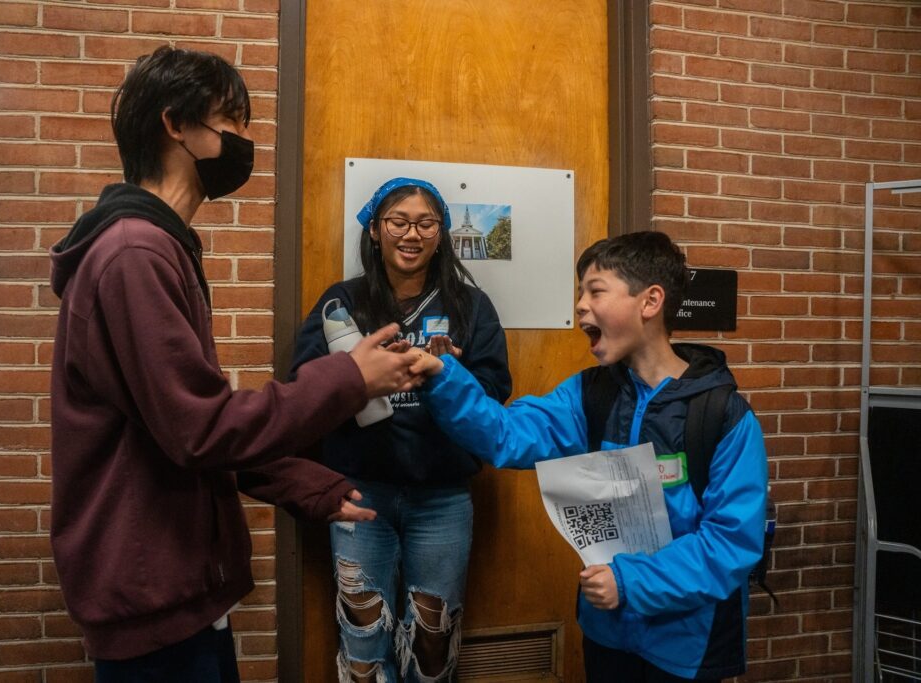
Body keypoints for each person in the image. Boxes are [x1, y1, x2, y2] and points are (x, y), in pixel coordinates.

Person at [48, 47, 420, 682]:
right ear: (176, 126)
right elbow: (200, 429)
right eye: (234, 122)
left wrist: (310, 488)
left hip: (180, 590)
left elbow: (181, 428)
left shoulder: (156, 246)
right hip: (151, 595)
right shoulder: (135, 253)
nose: (245, 141)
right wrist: (350, 378)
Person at [409, 231, 767, 682]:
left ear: (650, 301)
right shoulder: (588, 395)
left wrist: (630, 582)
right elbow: (506, 434)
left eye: (596, 291)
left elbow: (731, 543)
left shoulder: (722, 414)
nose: (580, 305)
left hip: (688, 645)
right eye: (580, 293)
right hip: (607, 633)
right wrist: (444, 377)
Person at [290, 177, 512, 682]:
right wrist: (358, 379)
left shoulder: (471, 307)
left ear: (441, 234)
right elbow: (301, 388)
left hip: (443, 497)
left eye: (425, 223)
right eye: (398, 221)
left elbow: (498, 390)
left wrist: (453, 373)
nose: (411, 234)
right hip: (359, 494)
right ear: (375, 230)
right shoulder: (340, 304)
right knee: (363, 636)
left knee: (433, 639)